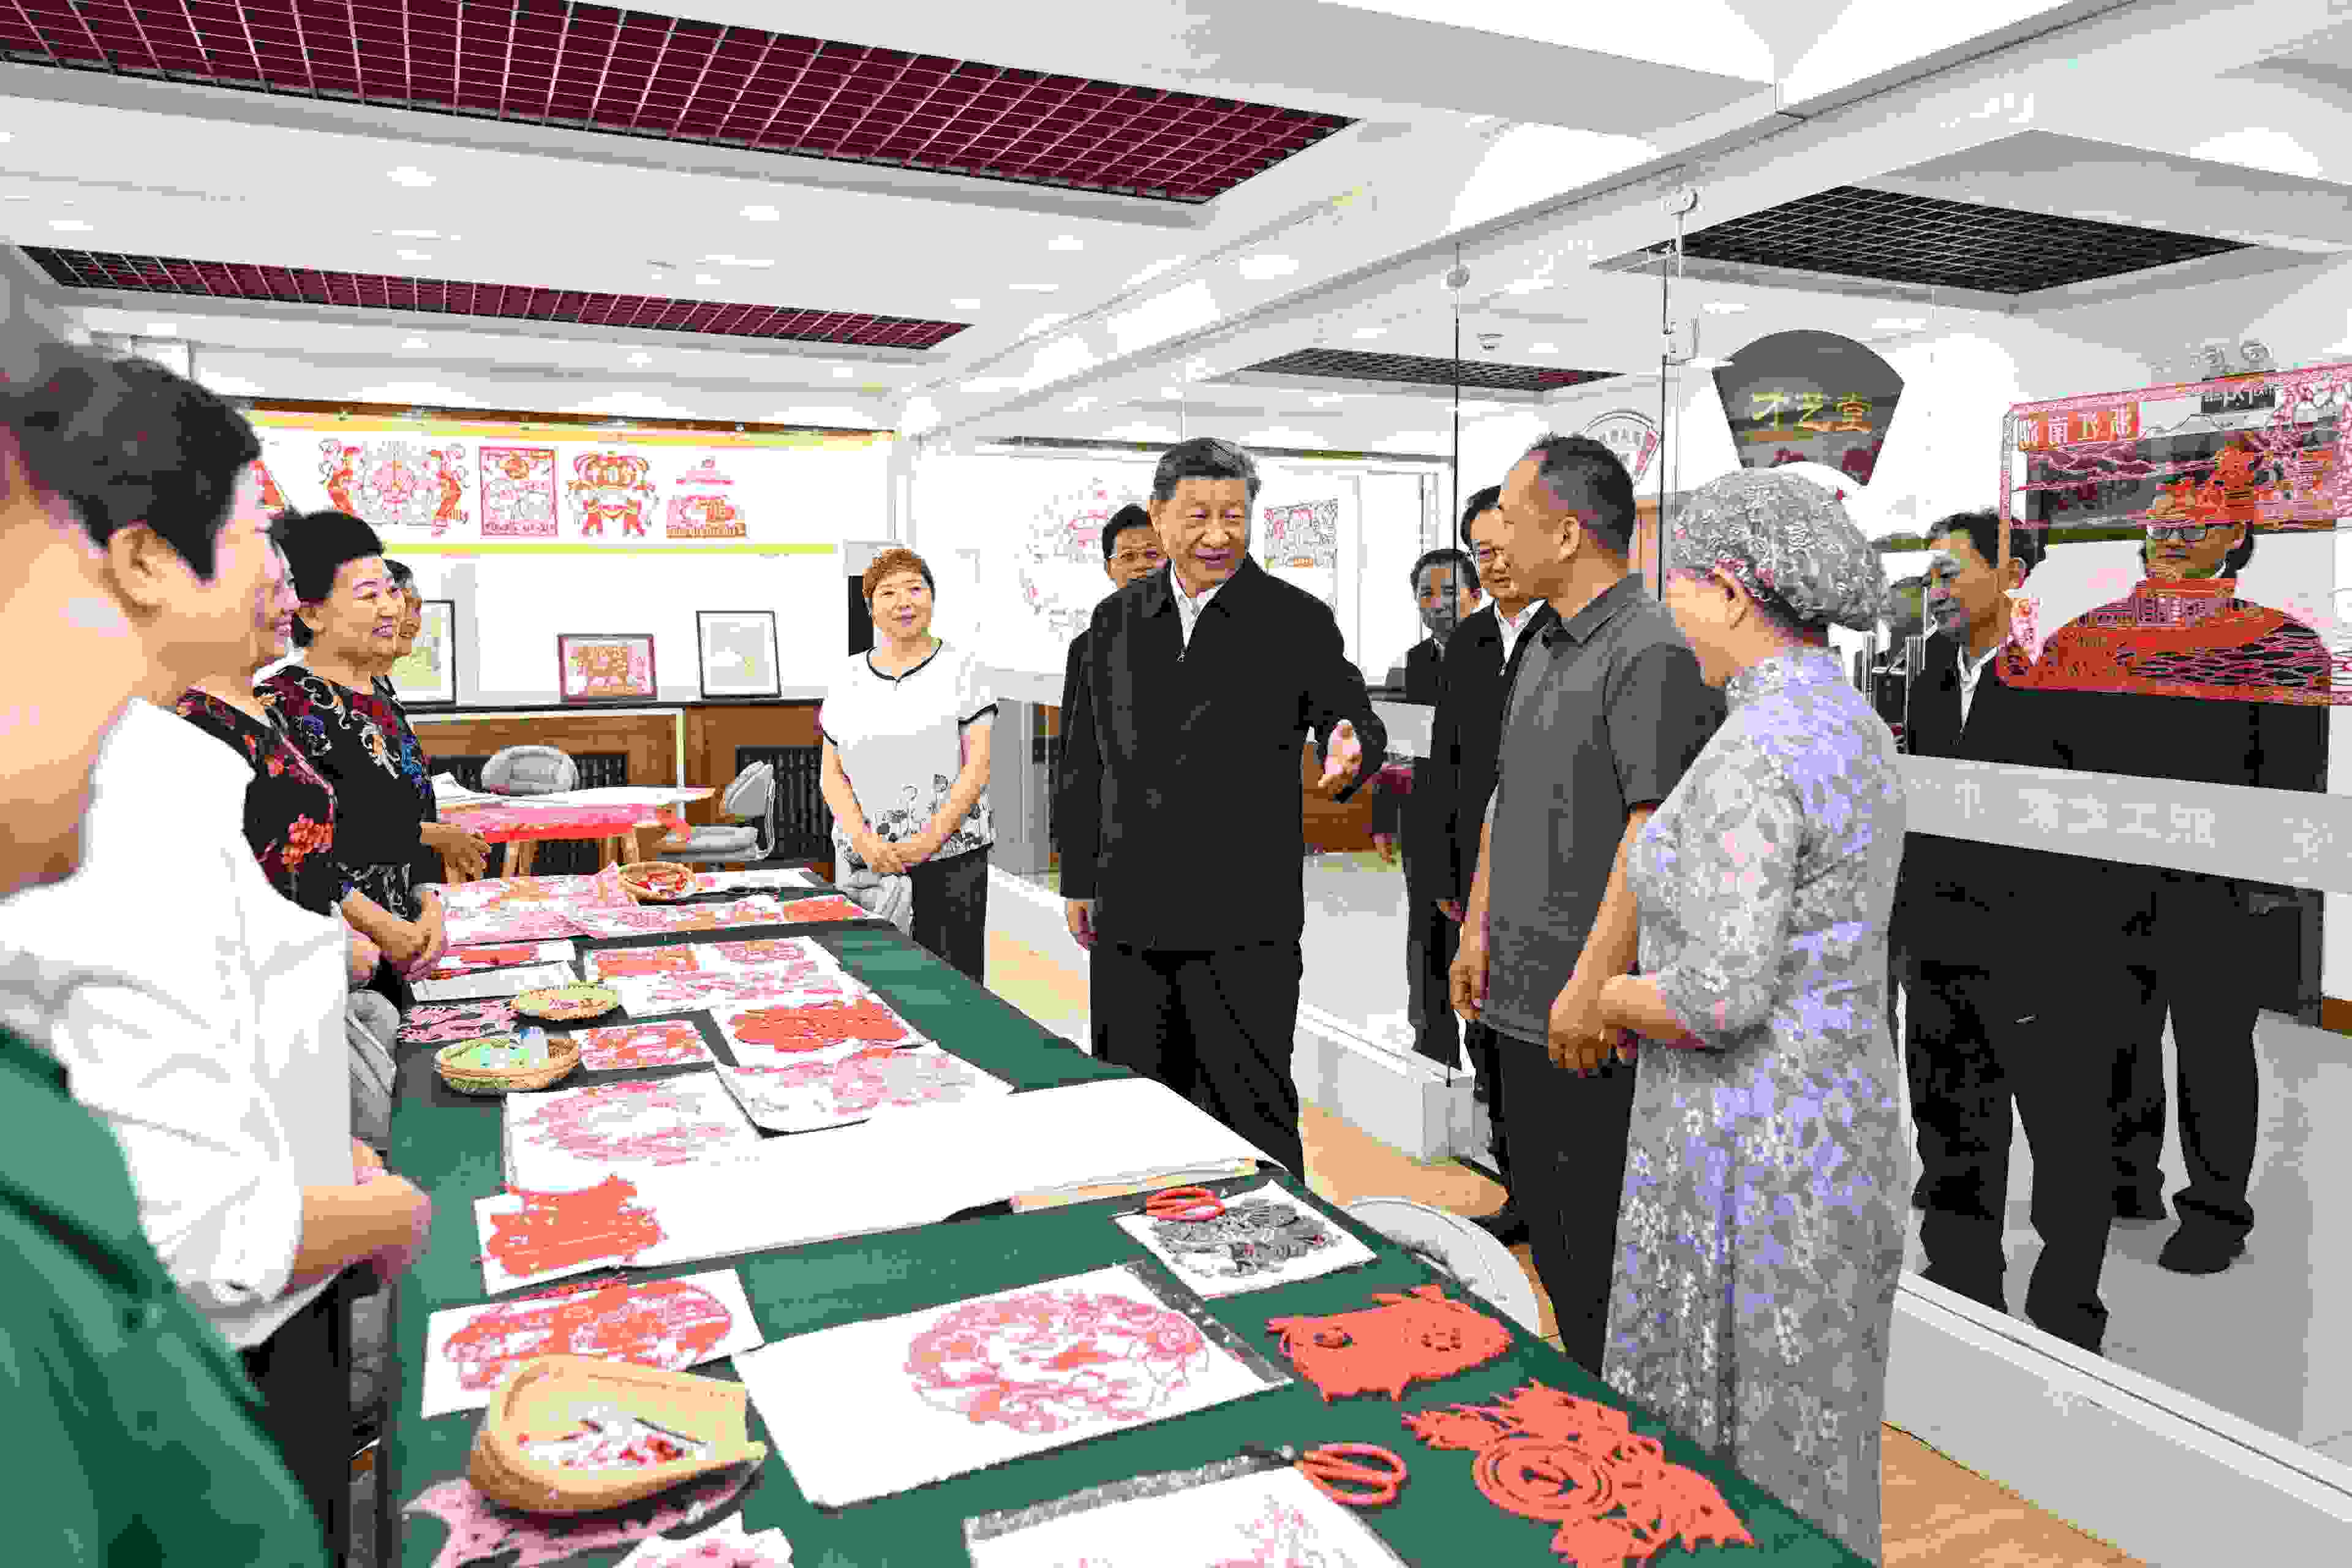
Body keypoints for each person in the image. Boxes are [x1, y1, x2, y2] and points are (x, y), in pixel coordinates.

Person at [0, 343, 431, 1562]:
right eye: (252, 535)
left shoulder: (169, 760)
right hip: (236, 1329)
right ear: (137, 558)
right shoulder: (124, 783)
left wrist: (318, 1164)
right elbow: (199, 1238)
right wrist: (370, 1207)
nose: (275, 580)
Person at [1587, 467, 1907, 1561]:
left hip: (1747, 1142)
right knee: (1817, 1422)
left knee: (1730, 1442)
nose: (1667, 610)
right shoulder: (1851, 722)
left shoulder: (1755, 749)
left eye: (1675, 585)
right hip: (1840, 1119)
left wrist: (1606, 996)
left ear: (1729, 591)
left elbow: (1716, 998)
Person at [1449, 435, 1722, 1376]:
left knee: (1609, 1267)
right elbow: (1505, 795)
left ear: (1565, 534)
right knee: (1561, 1250)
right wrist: (1477, 928)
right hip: (1518, 999)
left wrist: (1593, 981)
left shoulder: (1651, 649)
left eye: (1511, 517)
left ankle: (1632, 1435)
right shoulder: (1541, 640)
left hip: (1591, 1020)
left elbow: (1654, 828)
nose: (1494, 539)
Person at [1058, 437, 1383, 1178]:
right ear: (1159, 515)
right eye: (1198, 514)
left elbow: (1349, 711)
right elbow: (1083, 761)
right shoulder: (1112, 623)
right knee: (1135, 1104)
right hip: (1131, 911)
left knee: (1251, 1108)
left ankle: (1278, 1243)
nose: (1217, 534)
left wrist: (1350, 741)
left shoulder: (1294, 619)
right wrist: (1079, 876)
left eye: (1233, 515)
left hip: (1244, 919)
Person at [2019, 521, 2329, 1275]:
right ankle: (2129, 1179)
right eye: (2165, 519)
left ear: (2237, 538)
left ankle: (2217, 1211)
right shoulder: (2086, 636)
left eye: (2201, 522)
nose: (2174, 534)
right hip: (2104, 878)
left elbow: (2293, 775)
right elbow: (2049, 765)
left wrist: (2270, 883)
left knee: (2213, 1050)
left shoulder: (2280, 643)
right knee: (2115, 1039)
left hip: (2218, 882)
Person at [1894, 510, 2139, 1352]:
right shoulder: (1929, 673)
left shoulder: (2071, 673)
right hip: (1941, 949)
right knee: (1952, 1129)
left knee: (2067, 1142)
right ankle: (1964, 1287)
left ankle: (2068, 1313)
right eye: (1928, 575)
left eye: (1950, 572)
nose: (1935, 590)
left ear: (2012, 575)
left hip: (2046, 956)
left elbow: (2104, 826)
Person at [176, 522, 417, 1153]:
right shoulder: (198, 720)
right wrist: (339, 944)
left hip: (332, 987)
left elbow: (307, 852)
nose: (289, 603)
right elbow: (219, 894)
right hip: (270, 1010)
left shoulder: (250, 709)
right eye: (274, 587)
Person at [262, 513, 475, 1008]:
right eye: (367, 595)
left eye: (391, 591)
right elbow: (297, 851)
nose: (390, 608)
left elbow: (417, 821)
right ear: (312, 614)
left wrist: (428, 906)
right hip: (343, 962)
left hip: (409, 950)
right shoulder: (281, 704)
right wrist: (383, 929)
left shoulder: (381, 693)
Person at [1429, 485, 1557, 1245]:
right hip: (1474, 878)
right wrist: (1443, 873)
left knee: (1540, 1039)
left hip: (1547, 868)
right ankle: (1517, 1187)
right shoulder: (1470, 640)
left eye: (1506, 547)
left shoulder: (1564, 629)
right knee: (1484, 1034)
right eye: (1483, 552)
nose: (1497, 564)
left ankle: (1557, 1197)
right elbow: (1446, 762)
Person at [818, 547, 996, 982]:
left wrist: (925, 843)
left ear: (932, 597)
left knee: (951, 983)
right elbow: (831, 775)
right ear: (870, 608)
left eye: (915, 589)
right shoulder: (847, 676)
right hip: (867, 861)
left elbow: (976, 769)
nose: (904, 602)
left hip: (950, 858)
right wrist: (864, 842)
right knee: (875, 983)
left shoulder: (964, 669)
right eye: (888, 593)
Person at [1371, 548, 1483, 1068]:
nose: (1436, 604)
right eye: (1425, 594)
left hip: (1479, 820)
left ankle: (1487, 1053)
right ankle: (1432, 1045)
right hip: (1422, 821)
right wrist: (1383, 819)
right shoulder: (1411, 665)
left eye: (1449, 592)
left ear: (1475, 595)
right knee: (1426, 935)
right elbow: (1394, 751)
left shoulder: (1497, 656)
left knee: (1479, 931)